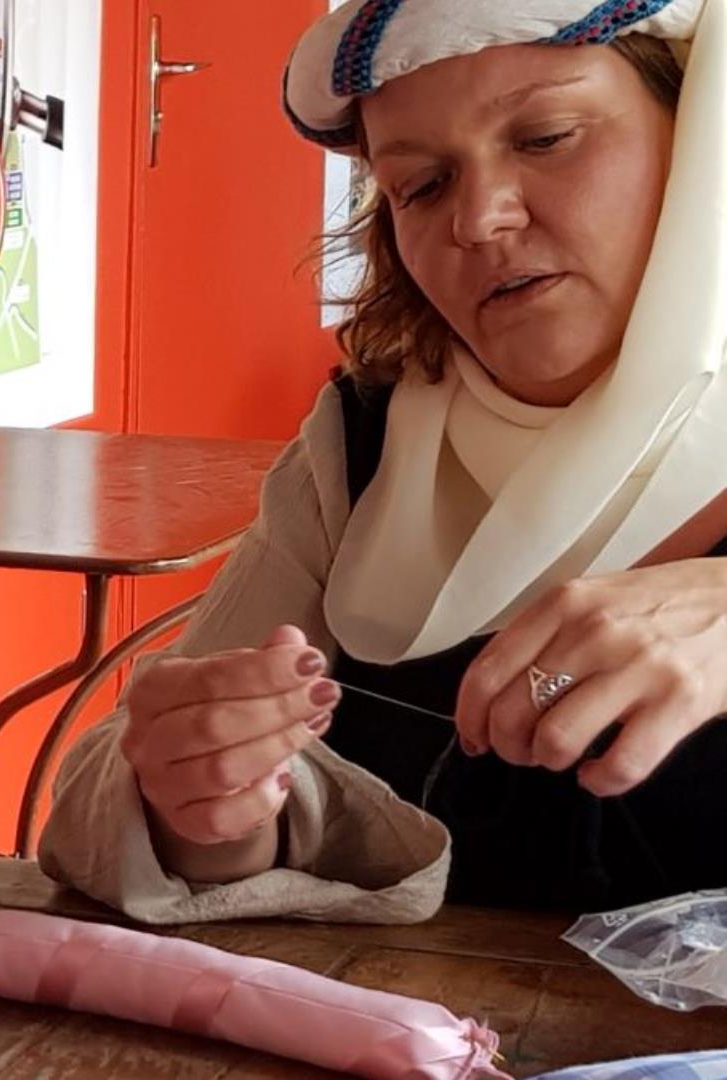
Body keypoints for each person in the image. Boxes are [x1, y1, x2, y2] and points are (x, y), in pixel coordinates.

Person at [40, 0, 726, 922]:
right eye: (423, 185)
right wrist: (206, 810)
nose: (480, 219)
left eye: (547, 136)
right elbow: (116, 786)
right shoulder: (375, 446)